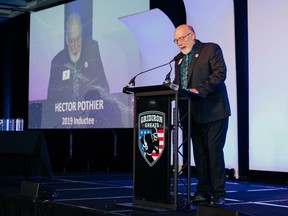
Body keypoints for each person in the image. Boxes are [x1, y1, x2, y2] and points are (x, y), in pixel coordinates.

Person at [172, 24, 231, 206]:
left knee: (213, 153)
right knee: (200, 155)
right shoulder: (179, 59)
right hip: (192, 114)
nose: (179, 43)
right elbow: (179, 83)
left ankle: (218, 193)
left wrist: (199, 90)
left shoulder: (210, 49)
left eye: (182, 38)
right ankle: (202, 191)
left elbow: (220, 73)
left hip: (214, 111)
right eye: (176, 40)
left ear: (192, 35)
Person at [47, 13, 110, 102]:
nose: (76, 45)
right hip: (65, 113)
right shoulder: (57, 62)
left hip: (90, 111)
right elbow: (51, 101)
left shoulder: (92, 49)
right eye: (72, 41)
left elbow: (104, 87)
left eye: (78, 38)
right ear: (66, 40)